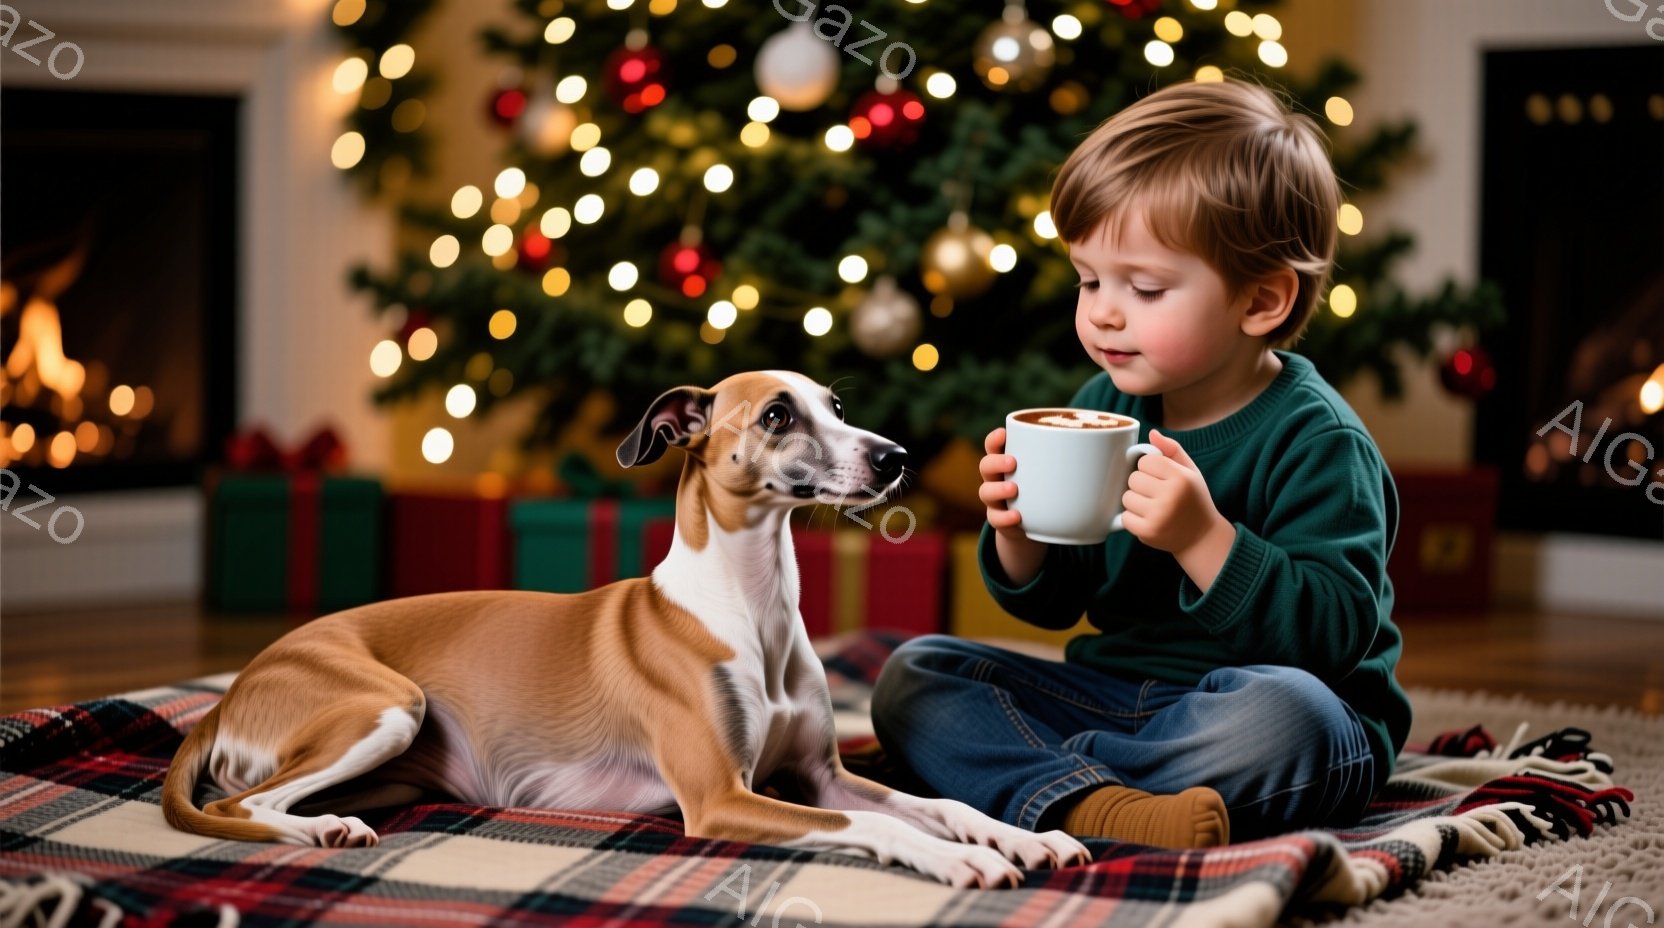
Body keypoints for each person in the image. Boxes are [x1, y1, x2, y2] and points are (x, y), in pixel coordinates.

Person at [870, 80, 1411, 849]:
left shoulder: (1317, 439)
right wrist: (1020, 538)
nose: (1102, 312)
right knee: (917, 676)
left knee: (1295, 719)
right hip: (1116, 696)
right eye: (1089, 279)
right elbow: (1058, 606)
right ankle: (1100, 802)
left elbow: (1333, 638)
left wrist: (1203, 540)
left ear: (1261, 301)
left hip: (1257, 712)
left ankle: (1023, 781)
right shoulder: (1105, 401)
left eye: (1145, 288)